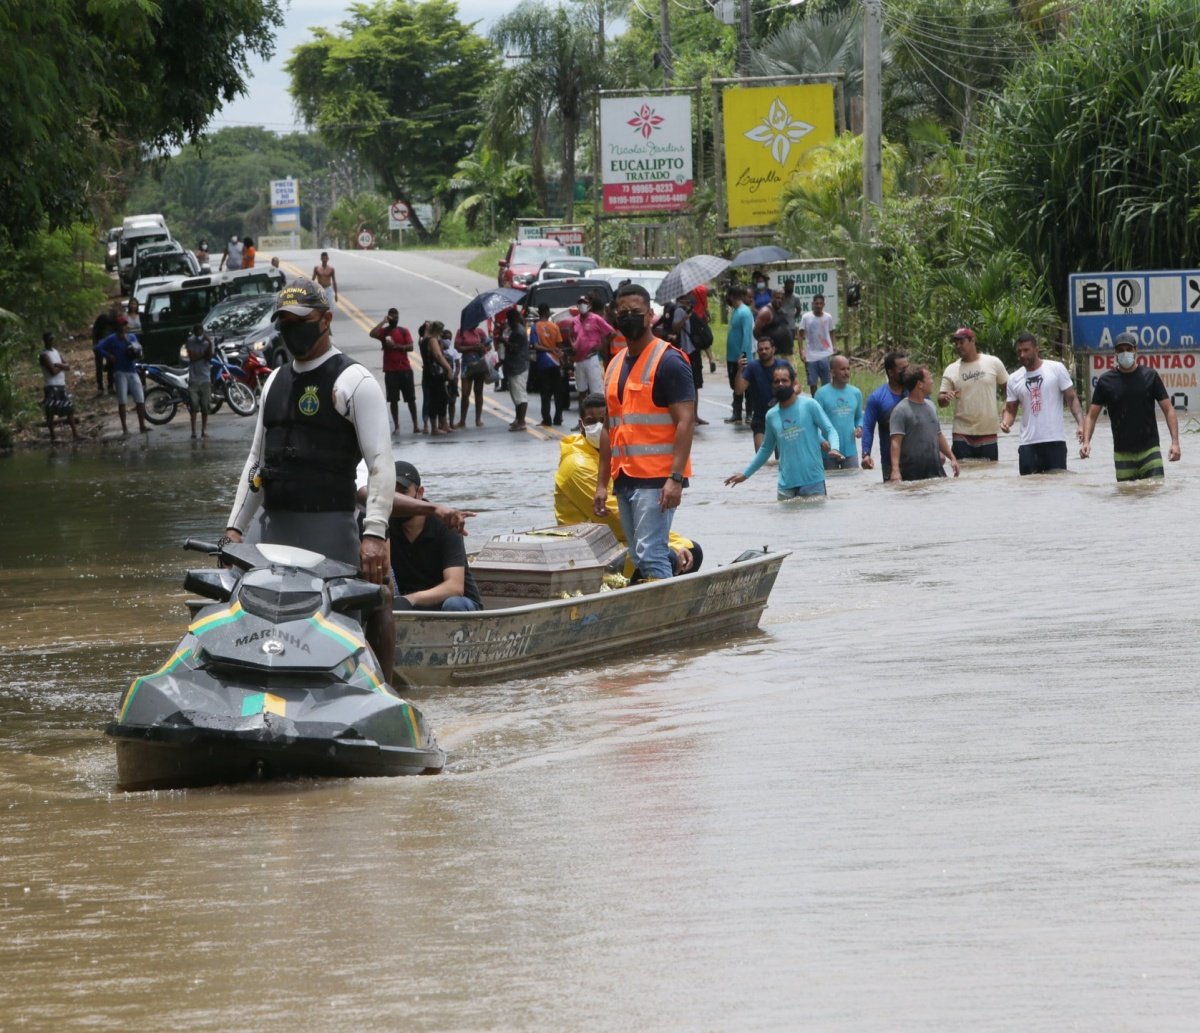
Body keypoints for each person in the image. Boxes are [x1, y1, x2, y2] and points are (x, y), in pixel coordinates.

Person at [222, 277, 395, 676]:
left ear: (325, 320)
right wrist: (234, 530)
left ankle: (386, 688)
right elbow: (255, 463)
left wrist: (374, 534)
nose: (291, 328)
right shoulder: (273, 382)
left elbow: (382, 463)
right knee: (250, 613)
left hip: (331, 529)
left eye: (300, 319)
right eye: (284, 321)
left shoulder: (355, 382)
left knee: (376, 600)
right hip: (272, 531)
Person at [594, 283, 696, 581]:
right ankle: (677, 567)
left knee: (649, 553)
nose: (629, 317)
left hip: (657, 479)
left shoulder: (669, 361)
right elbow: (609, 428)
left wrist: (675, 478)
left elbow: (685, 422)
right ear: (614, 315)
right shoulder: (614, 365)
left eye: (636, 312)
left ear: (650, 315)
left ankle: (670, 618)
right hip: (624, 477)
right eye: (622, 312)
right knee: (639, 553)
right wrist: (602, 483)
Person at [556, 394, 701, 577]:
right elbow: (614, 517)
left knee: (691, 550)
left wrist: (675, 542)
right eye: (592, 421)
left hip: (614, 540)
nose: (599, 427)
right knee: (668, 557)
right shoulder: (577, 465)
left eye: (604, 421)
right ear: (581, 424)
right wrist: (671, 545)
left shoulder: (614, 453)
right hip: (591, 548)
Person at [726, 364, 842, 499]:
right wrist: (745, 474)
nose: (780, 384)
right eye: (776, 381)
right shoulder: (771, 415)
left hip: (813, 482)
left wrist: (835, 448)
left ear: (793, 383)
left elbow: (830, 429)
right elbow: (765, 449)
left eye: (785, 380)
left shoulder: (809, 405)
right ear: (772, 385)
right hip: (785, 486)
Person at [1080, 330, 1181, 480]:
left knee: (1156, 496)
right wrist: (1086, 442)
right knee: (1125, 498)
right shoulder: (1105, 381)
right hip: (1122, 454)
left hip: (1150, 451)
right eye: (1120, 350)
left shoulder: (1150, 376)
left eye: (1128, 349)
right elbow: (1091, 416)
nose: (1124, 353)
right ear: (1115, 353)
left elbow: (1168, 409)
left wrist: (1175, 442)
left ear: (1135, 350)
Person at [389, 462, 484, 612]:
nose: (399, 502)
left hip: (453, 605)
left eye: (403, 492)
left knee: (454, 604)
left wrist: (410, 599)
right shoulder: (383, 525)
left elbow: (455, 587)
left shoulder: (445, 524)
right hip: (409, 607)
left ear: (419, 493)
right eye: (392, 495)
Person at [1000, 333, 1085, 475]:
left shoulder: (1056, 369)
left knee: (1057, 486)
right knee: (1029, 489)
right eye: (1019, 351)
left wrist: (1081, 424)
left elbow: (1072, 399)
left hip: (1054, 441)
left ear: (1036, 350)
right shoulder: (1014, 379)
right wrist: (1006, 423)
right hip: (1027, 444)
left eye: (1026, 350)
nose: (1022, 354)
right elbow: (1010, 410)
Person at [937, 327, 1009, 461]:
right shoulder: (951, 369)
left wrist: (1006, 405)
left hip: (988, 430)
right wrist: (945, 398)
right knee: (962, 475)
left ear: (972, 340)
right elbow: (940, 400)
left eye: (961, 342)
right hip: (961, 432)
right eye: (956, 343)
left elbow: (1010, 388)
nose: (958, 346)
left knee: (989, 474)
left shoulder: (993, 362)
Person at [890, 365, 959, 481]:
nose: (932, 381)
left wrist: (952, 458)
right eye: (929, 378)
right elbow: (895, 443)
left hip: (936, 472)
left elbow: (938, 434)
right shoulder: (900, 410)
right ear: (920, 384)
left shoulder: (931, 406)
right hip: (911, 475)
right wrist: (895, 471)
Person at [734, 337, 793, 452]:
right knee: (760, 456)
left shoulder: (783, 365)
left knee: (783, 456)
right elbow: (739, 390)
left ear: (773, 349)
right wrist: (739, 370)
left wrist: (786, 395)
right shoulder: (752, 367)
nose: (764, 351)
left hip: (782, 416)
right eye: (760, 349)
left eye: (766, 348)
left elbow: (797, 386)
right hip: (761, 418)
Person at [93, 315, 148, 435]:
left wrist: (134, 349)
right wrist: (109, 356)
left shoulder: (132, 337)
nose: (124, 327)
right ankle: (124, 428)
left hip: (132, 369)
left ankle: (142, 425)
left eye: (125, 325)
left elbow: (139, 350)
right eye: (122, 325)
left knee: (140, 398)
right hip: (119, 371)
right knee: (122, 400)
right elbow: (97, 347)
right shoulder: (111, 339)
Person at [370, 308, 418, 436]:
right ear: (389, 318)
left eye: (397, 317)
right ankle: (397, 426)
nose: (395, 319)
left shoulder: (403, 331)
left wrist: (396, 346)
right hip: (390, 371)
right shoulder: (384, 331)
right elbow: (372, 333)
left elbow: (411, 347)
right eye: (392, 317)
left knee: (411, 399)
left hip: (405, 369)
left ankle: (416, 425)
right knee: (393, 400)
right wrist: (382, 322)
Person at [861, 350, 908, 480]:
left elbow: (930, 422)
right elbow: (868, 428)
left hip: (917, 460)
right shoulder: (877, 398)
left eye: (907, 368)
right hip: (890, 463)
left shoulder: (917, 390)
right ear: (891, 372)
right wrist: (866, 454)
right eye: (902, 369)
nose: (907, 372)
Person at [814, 354, 863, 470]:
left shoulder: (856, 393)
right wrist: (821, 441)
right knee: (832, 486)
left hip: (850, 451)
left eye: (848, 369)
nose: (846, 372)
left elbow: (859, 417)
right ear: (832, 372)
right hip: (827, 451)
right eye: (842, 369)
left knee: (853, 485)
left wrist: (860, 427)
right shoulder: (821, 394)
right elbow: (813, 423)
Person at [569, 291, 614, 410]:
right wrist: (573, 345)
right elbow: (571, 335)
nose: (582, 305)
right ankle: (583, 420)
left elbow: (611, 333)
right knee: (581, 391)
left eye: (585, 303)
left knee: (596, 392)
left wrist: (602, 345)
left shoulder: (596, 319)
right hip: (579, 360)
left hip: (592, 358)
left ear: (589, 305)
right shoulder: (574, 321)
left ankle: (599, 421)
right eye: (580, 303)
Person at [39, 331, 81, 443]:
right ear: (45, 340)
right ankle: (53, 437)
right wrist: (61, 367)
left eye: (52, 338)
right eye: (49, 339)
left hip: (61, 385)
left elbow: (67, 366)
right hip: (51, 386)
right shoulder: (44, 355)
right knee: (51, 412)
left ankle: (75, 434)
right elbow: (52, 371)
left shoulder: (56, 352)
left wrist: (59, 366)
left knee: (69, 409)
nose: (51, 341)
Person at [724, 286, 755, 424]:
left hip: (741, 357)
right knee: (735, 385)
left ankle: (749, 413)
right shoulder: (735, 311)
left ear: (731, 296)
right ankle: (737, 413)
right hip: (731, 356)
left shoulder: (745, 312)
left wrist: (743, 355)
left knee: (747, 386)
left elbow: (747, 335)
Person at [419, 320, 454, 434]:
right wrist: (448, 368)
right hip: (435, 373)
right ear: (438, 330)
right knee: (440, 399)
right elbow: (438, 355)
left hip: (428, 373)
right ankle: (436, 427)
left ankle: (443, 425)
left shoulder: (424, 340)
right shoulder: (432, 340)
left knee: (436, 399)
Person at [532, 303, 565, 426]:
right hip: (555, 362)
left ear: (539, 313)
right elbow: (559, 344)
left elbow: (535, 346)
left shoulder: (535, 327)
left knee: (545, 393)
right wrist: (554, 352)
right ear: (547, 312)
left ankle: (547, 419)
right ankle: (558, 418)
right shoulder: (554, 326)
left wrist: (547, 350)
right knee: (558, 392)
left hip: (542, 363)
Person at [799, 293, 835, 395]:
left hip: (825, 353)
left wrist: (834, 345)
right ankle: (814, 402)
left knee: (826, 382)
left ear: (824, 304)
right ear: (813, 304)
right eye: (816, 303)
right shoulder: (806, 317)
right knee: (812, 382)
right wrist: (801, 351)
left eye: (820, 303)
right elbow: (800, 334)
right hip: (810, 355)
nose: (818, 305)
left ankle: (825, 402)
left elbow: (832, 331)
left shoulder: (828, 317)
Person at [500, 307, 530, 431]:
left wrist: (505, 342)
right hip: (514, 366)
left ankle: (521, 421)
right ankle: (518, 418)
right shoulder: (515, 330)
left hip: (519, 367)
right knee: (515, 394)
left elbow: (515, 348)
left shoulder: (518, 332)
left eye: (509, 320)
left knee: (519, 395)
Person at [455, 323, 490, 427]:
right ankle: (462, 420)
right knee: (465, 393)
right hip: (467, 365)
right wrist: (472, 348)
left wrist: (482, 348)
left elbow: (489, 345)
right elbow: (457, 347)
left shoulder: (480, 332)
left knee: (478, 391)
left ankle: (478, 419)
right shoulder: (461, 332)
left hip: (479, 364)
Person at [183, 323, 213, 439]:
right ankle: (193, 431)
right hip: (194, 378)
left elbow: (209, 357)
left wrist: (209, 344)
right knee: (194, 406)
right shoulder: (190, 341)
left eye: (200, 332)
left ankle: (203, 430)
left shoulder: (208, 342)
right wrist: (203, 354)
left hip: (205, 378)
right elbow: (193, 357)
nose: (199, 334)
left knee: (205, 407)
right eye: (197, 332)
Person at [754, 288, 794, 361]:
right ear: (772, 298)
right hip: (775, 355)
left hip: (787, 353)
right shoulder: (766, 312)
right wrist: (767, 348)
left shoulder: (782, 311)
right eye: (777, 298)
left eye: (782, 298)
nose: (780, 300)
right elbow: (756, 332)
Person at [91, 306, 118, 396]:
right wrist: (94, 343)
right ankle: (100, 387)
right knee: (99, 366)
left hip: (109, 346)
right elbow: (95, 331)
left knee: (110, 365)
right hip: (99, 345)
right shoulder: (102, 318)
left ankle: (110, 386)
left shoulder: (115, 323)